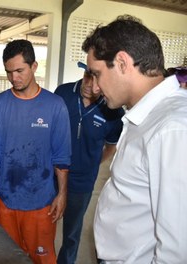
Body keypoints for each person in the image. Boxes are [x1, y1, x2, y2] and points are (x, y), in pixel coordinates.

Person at [82, 15, 187, 263]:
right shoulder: (146, 117)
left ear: (121, 63)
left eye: (97, 74)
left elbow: (177, 250)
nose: (95, 87)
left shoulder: (172, 128)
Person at [0, 39, 71, 264]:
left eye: (20, 70)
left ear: (34, 66)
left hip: (41, 203)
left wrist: (62, 193)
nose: (14, 77)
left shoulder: (55, 105)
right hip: (5, 201)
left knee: (42, 258)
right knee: (8, 258)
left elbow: (61, 157)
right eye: (9, 72)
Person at [54, 62, 124, 264]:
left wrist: (91, 164)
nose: (89, 84)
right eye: (87, 75)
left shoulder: (114, 112)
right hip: (52, 175)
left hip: (82, 183)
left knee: (71, 233)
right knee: (44, 226)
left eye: (96, 78)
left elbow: (111, 148)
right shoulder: (63, 93)